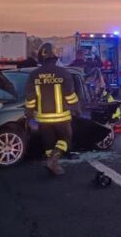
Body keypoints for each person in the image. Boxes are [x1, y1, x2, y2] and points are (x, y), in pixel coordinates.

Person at [24, 43, 79, 176]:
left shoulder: (34, 75)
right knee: (66, 138)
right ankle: (55, 157)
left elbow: (30, 98)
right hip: (62, 117)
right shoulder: (63, 72)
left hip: (43, 118)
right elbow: (69, 94)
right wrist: (76, 107)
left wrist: (30, 116)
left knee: (48, 143)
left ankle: (53, 164)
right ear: (55, 56)